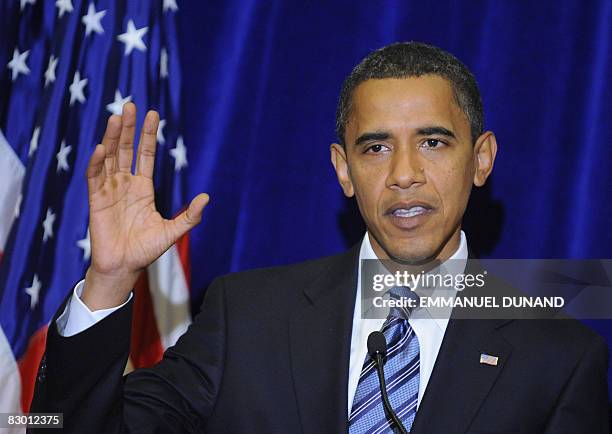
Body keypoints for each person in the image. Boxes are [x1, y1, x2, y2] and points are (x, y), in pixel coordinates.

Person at [30, 42, 609, 433]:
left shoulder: (559, 360)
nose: (404, 173)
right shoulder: (246, 315)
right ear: (342, 170)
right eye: (375, 147)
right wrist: (108, 280)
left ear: (481, 160)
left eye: (433, 142)